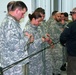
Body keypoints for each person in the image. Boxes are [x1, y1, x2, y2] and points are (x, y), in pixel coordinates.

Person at [0, 1, 33, 75]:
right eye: (22, 13)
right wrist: (27, 37)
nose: (23, 16)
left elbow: (14, 39)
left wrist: (23, 35)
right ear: (17, 11)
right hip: (12, 64)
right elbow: (15, 46)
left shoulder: (13, 22)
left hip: (15, 63)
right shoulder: (9, 23)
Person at [23, 11, 52, 75]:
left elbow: (41, 36)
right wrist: (41, 40)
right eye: (38, 21)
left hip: (40, 56)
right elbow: (29, 45)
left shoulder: (37, 28)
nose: (39, 23)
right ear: (33, 19)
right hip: (33, 58)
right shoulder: (28, 29)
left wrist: (45, 36)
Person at [60, 7, 76, 75]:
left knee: (72, 71)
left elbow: (63, 37)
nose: (71, 16)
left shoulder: (71, 25)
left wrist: (64, 44)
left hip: (73, 54)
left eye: (72, 14)